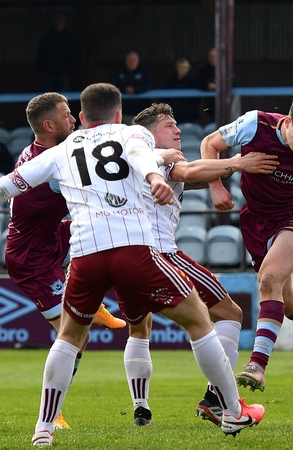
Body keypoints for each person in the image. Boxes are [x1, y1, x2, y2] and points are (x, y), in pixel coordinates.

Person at [2, 83, 264, 447]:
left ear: (81, 117)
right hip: (133, 249)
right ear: (119, 113)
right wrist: (157, 174)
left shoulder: (58, 152)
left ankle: (43, 428)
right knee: (200, 318)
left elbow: (8, 187)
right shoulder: (132, 133)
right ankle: (232, 410)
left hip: (84, 255)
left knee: (70, 336)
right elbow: (142, 156)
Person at [122, 103, 277, 426]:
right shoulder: (162, 157)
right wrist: (238, 161)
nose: (178, 130)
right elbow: (188, 173)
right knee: (229, 314)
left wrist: (221, 176)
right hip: (161, 252)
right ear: (150, 134)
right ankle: (217, 399)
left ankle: (141, 406)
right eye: (170, 125)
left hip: (123, 255)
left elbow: (193, 177)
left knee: (138, 328)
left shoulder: (130, 161)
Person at [200, 93, 293, 392]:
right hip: (256, 220)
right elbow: (209, 144)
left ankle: (257, 365)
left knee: (268, 281)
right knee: (288, 301)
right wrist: (217, 185)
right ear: (289, 121)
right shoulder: (255, 125)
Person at [5, 92, 129, 430]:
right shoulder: (48, 167)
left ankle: (90, 305)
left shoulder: (47, 153)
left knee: (101, 239)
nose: (73, 118)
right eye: (65, 115)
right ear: (48, 125)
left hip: (53, 237)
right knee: (73, 335)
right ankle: (53, 413)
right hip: (31, 257)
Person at [111, 51, 155, 122]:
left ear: (138, 61)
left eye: (134, 60)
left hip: (142, 112)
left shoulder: (144, 72)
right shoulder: (118, 72)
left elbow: (150, 85)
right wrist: (125, 89)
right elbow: (113, 85)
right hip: (124, 112)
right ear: (125, 61)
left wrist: (135, 89)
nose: (131, 62)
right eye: (129, 60)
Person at [36, 15, 76, 92]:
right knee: (48, 96)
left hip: (63, 72)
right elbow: (41, 53)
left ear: (64, 23)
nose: (59, 23)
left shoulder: (68, 39)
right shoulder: (47, 38)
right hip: (49, 72)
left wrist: (69, 67)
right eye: (57, 21)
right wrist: (42, 67)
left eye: (61, 21)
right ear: (53, 23)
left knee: (63, 96)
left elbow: (72, 54)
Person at [161, 58, 199, 124]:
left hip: (188, 114)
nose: (182, 69)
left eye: (185, 67)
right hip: (172, 113)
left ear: (188, 69)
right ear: (177, 68)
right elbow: (163, 94)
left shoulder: (192, 82)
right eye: (180, 67)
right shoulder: (170, 80)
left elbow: (196, 99)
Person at [195, 48, 217, 123]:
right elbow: (197, 83)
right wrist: (207, 86)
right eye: (211, 56)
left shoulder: (225, 70)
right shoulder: (203, 71)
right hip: (208, 108)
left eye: (215, 56)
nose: (213, 58)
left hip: (225, 108)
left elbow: (233, 84)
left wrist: (219, 86)